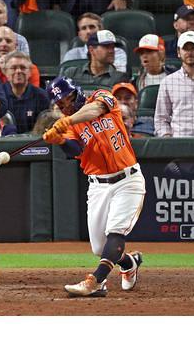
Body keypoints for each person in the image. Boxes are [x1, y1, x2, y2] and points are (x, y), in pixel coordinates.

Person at [43, 76, 145, 297]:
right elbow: (75, 150)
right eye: (61, 105)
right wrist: (59, 141)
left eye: (68, 98)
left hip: (128, 179)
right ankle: (129, 263)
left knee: (115, 232)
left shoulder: (101, 96)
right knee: (99, 248)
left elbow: (95, 109)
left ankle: (96, 281)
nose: (66, 105)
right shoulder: (70, 124)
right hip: (98, 185)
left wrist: (68, 121)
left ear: (76, 92)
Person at [155, 31, 194, 137]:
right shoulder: (168, 82)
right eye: (186, 49)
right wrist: (167, 138)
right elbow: (161, 119)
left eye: (193, 48)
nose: (190, 52)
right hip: (178, 144)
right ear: (178, 52)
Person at [2, 51, 49, 133]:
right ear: (6, 72)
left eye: (23, 67)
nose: (18, 71)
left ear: (30, 72)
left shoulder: (42, 96)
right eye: (13, 68)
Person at [63, 12, 127, 73]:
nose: (88, 31)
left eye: (92, 27)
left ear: (101, 30)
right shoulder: (71, 54)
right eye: (83, 28)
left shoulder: (116, 52)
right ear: (79, 34)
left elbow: (118, 76)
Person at [64, 30, 129, 88]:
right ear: (91, 50)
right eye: (106, 47)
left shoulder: (120, 78)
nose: (111, 51)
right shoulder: (72, 73)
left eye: (112, 47)